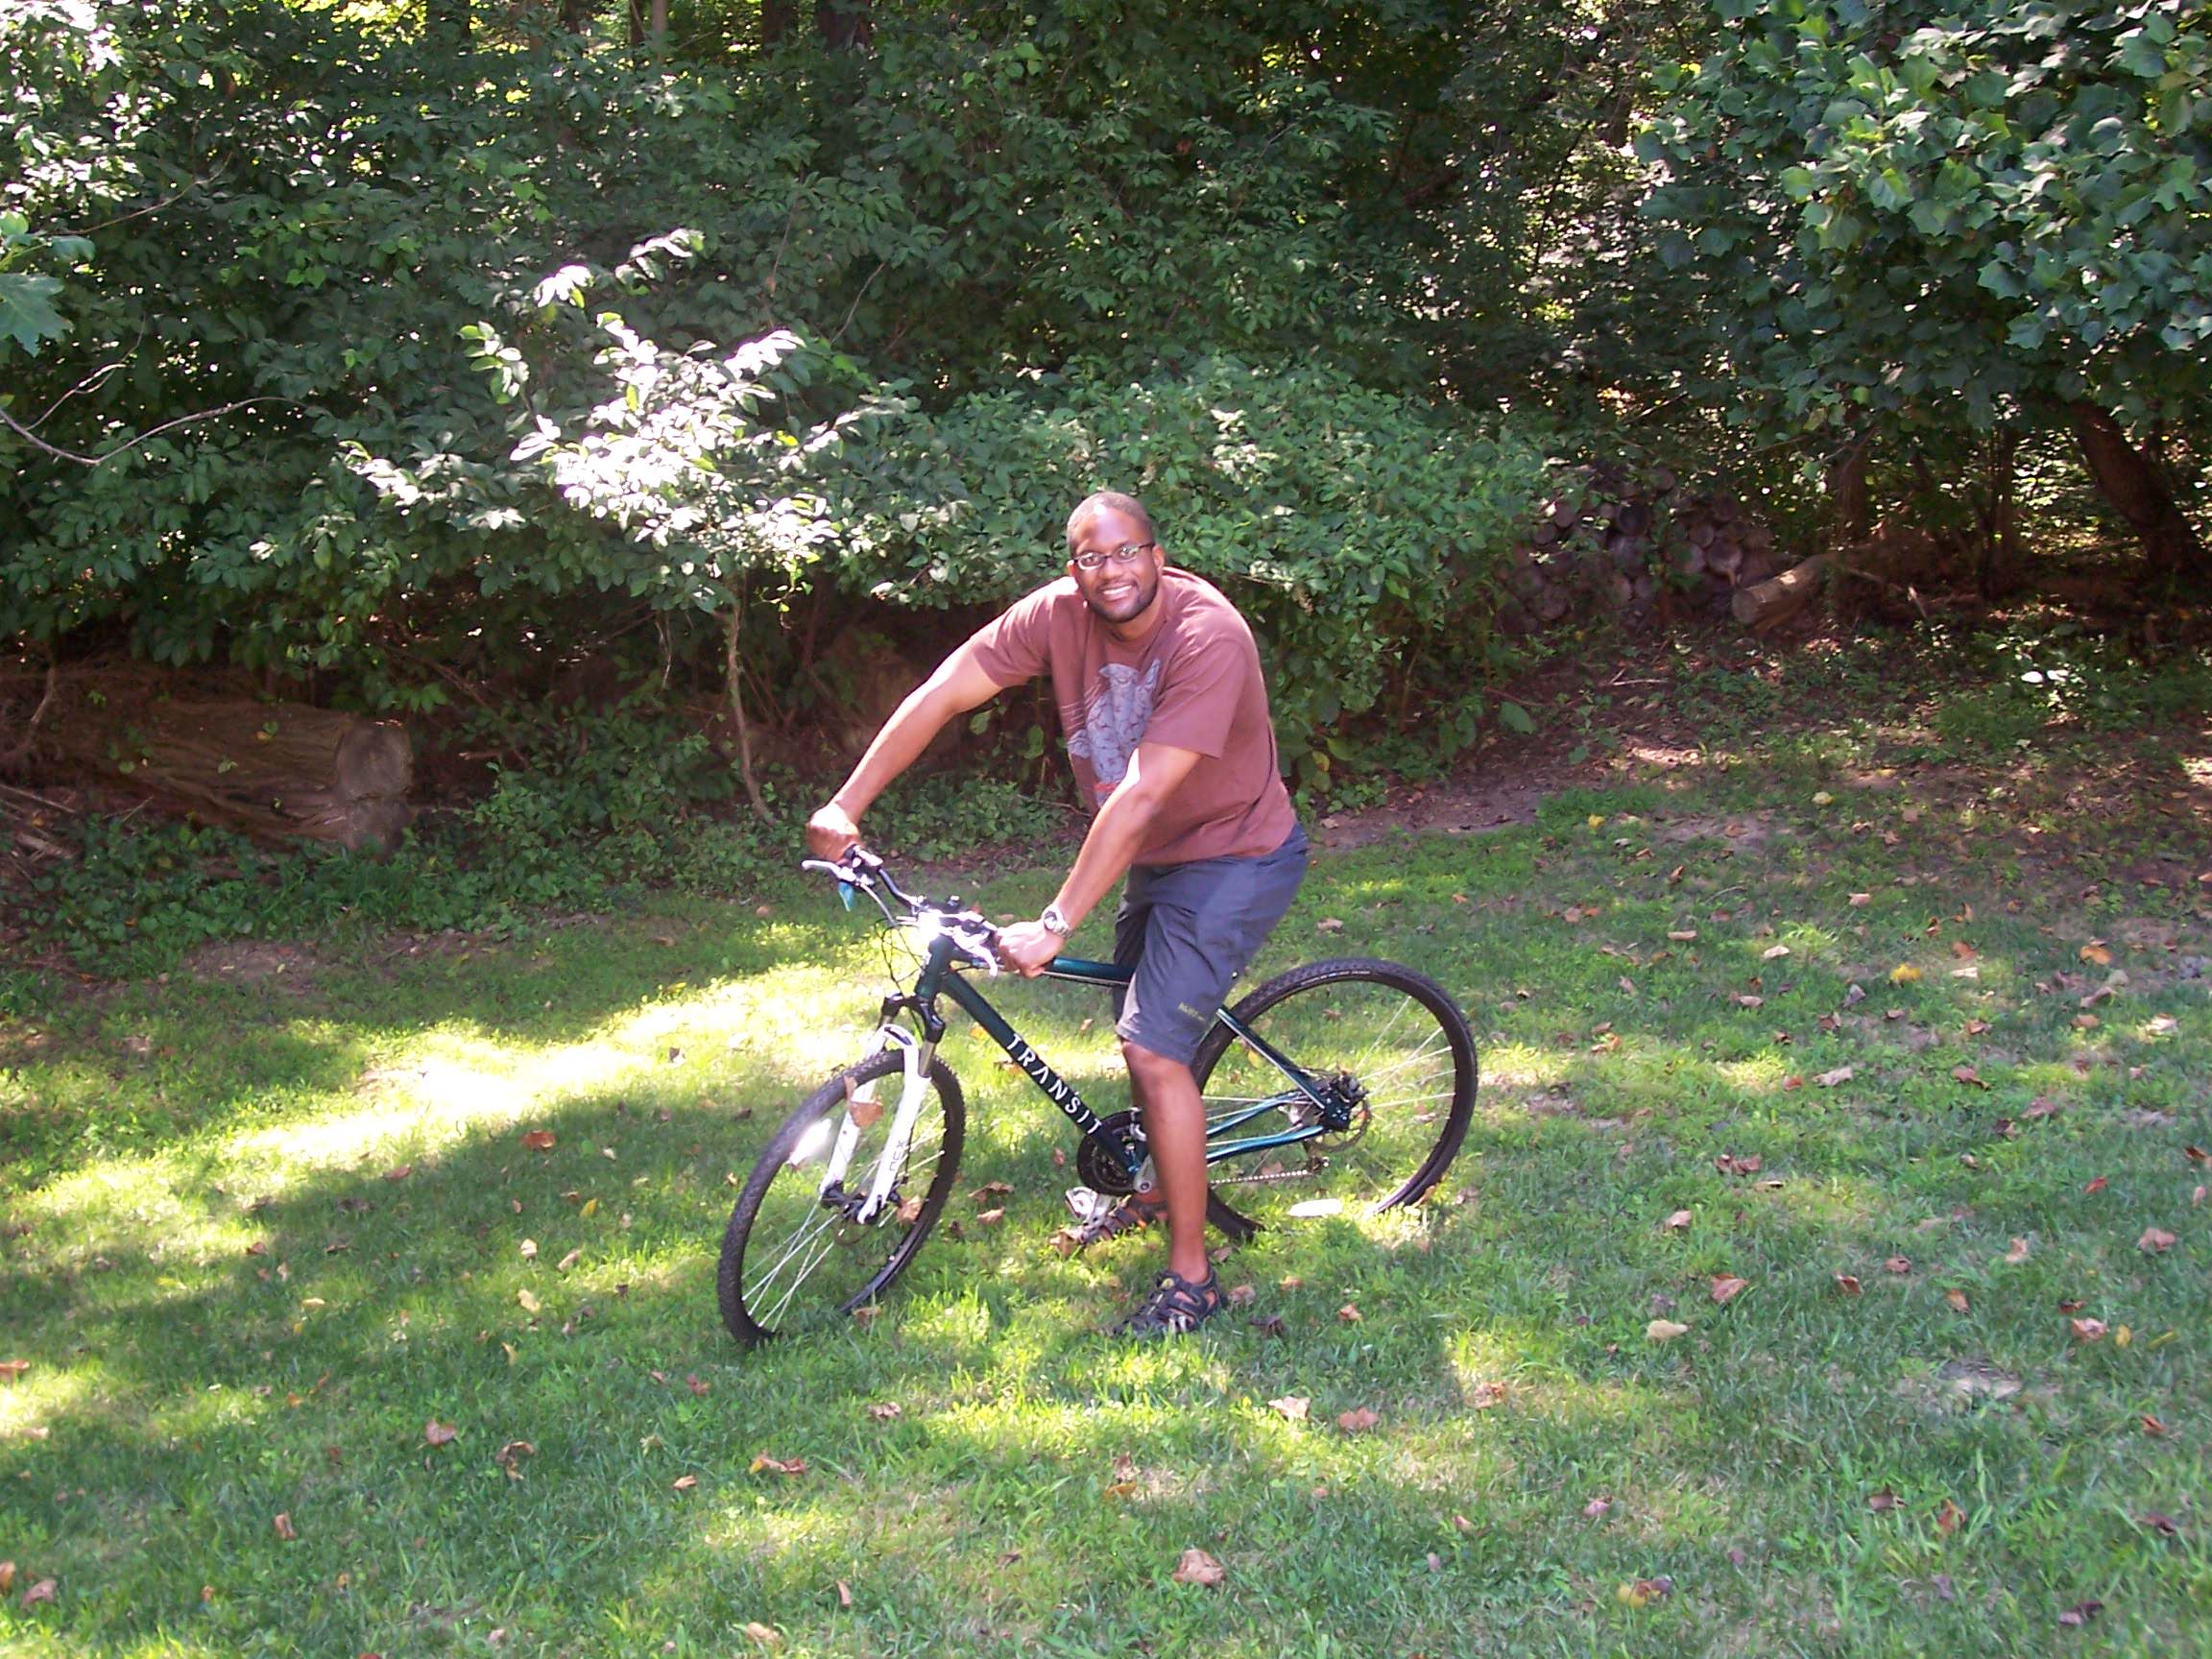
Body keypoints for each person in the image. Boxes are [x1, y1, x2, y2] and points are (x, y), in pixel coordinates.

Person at [806, 491, 1308, 1336]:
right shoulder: (1058, 616)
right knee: (1145, 1020)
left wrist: (1057, 920)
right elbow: (943, 692)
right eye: (1089, 557)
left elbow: (1145, 793)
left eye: (1126, 552)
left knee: (1150, 1048)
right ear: (1071, 566)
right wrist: (845, 804)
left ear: (1156, 553)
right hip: (1158, 856)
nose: (1109, 572)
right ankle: (1155, 1188)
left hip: (1236, 854)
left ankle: (1193, 1279)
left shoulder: (1207, 634)